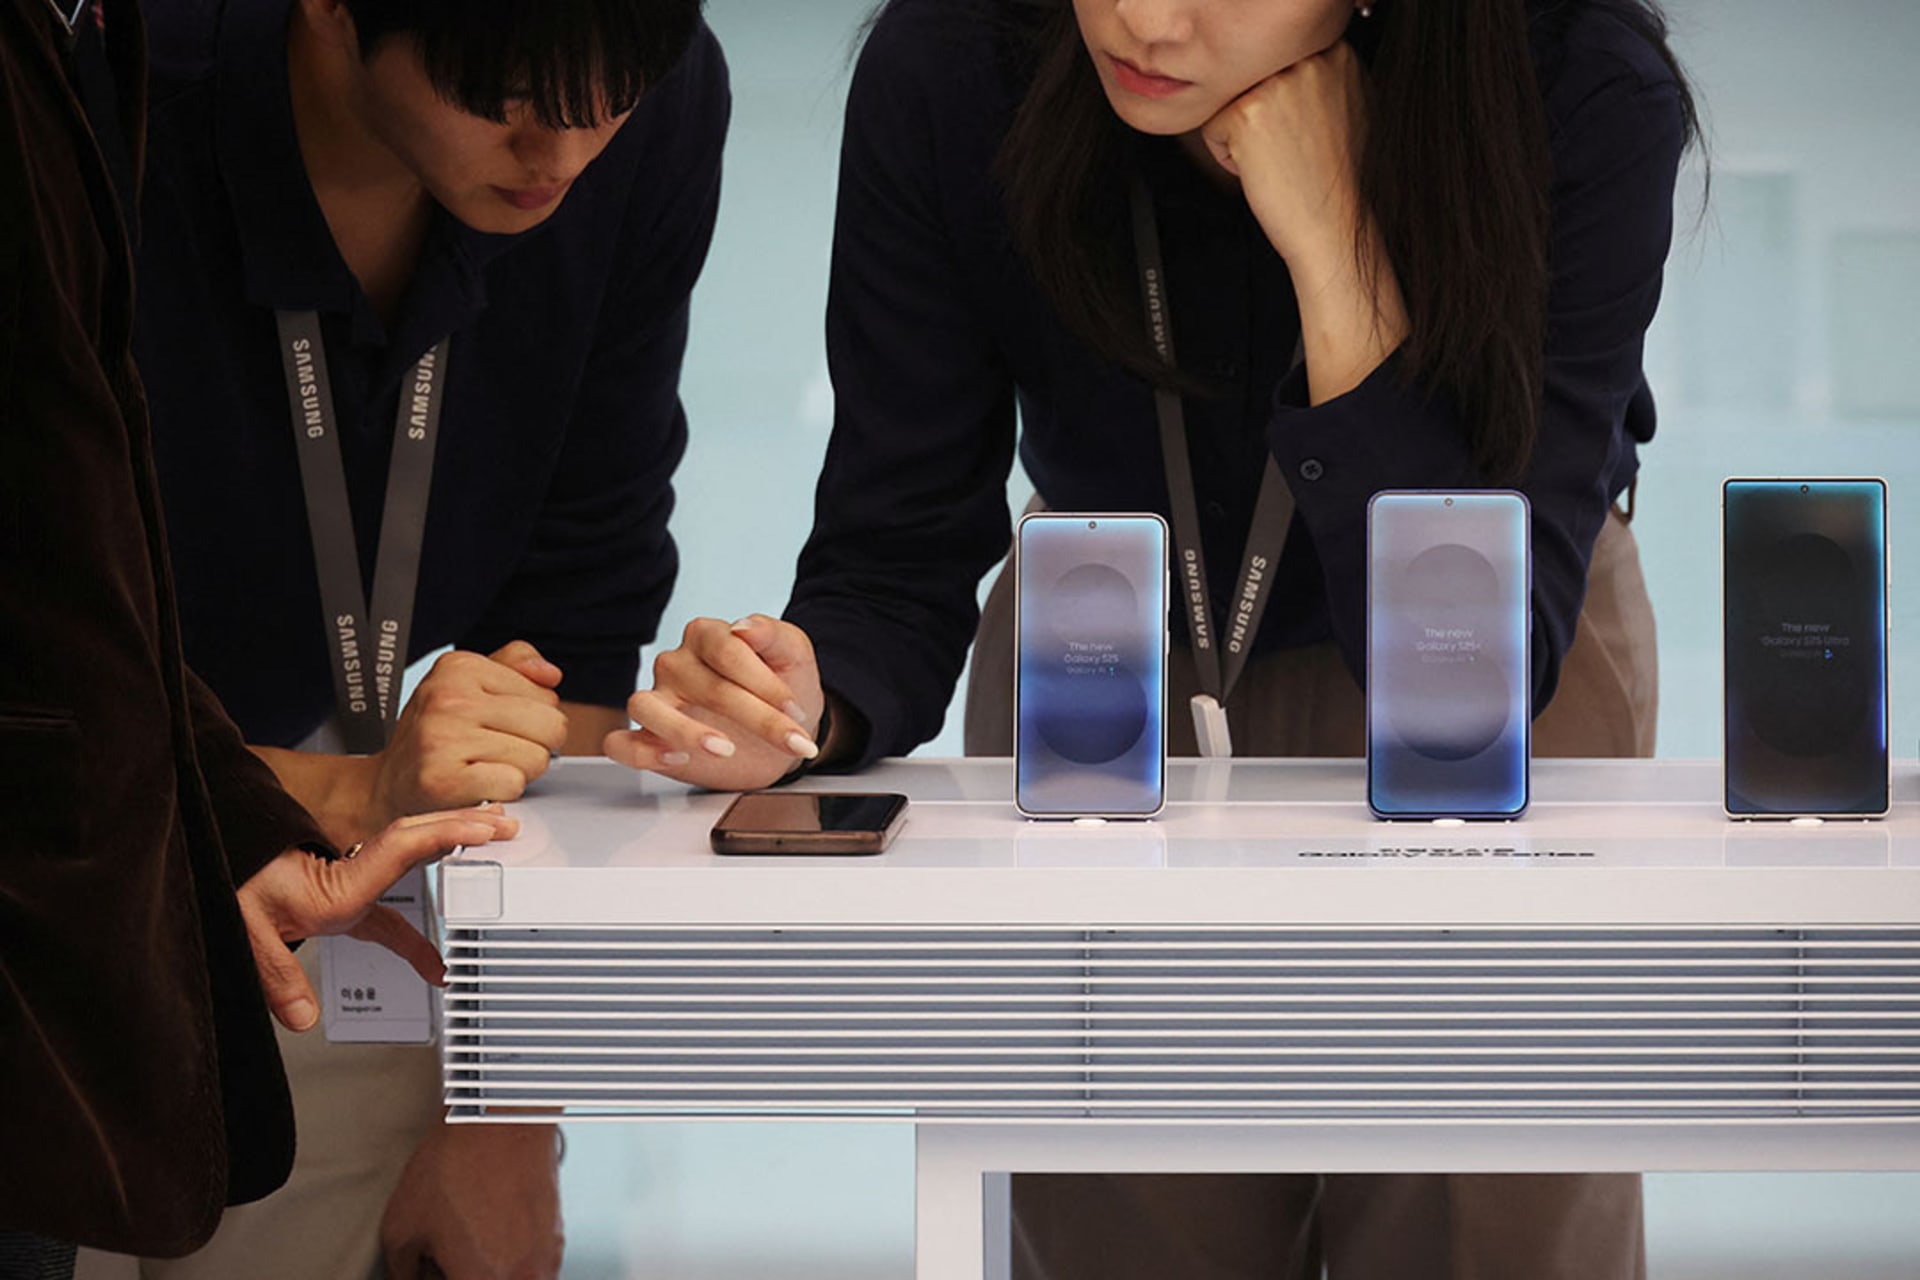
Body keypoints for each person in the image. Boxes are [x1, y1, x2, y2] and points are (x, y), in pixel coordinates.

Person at [615, 0, 1698, 1275]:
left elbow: (1473, 670)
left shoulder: (1575, 83)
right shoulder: (960, 61)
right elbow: (895, 548)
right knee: (1121, 1220)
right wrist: (812, 694)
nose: (1141, 17)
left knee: (1486, 1220)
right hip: (1104, 646)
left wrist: (1335, 245)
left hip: (1505, 637)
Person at [67, 1, 727, 1277]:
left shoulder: (642, 88)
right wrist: (341, 789)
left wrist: (506, 1111)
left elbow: (577, 634)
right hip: (78, 875)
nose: (565, 153)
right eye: (511, 93)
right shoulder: (104, 92)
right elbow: (50, 661)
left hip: (373, 917)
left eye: (613, 96)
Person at [0, 2, 515, 1277]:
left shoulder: (79, 32)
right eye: (502, 83)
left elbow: (79, 567)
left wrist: (218, 819)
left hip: (139, 942)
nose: (557, 142)